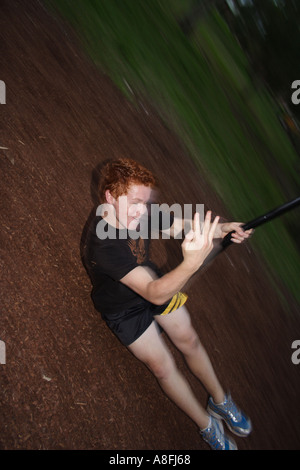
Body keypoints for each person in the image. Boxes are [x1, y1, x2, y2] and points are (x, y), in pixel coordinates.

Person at [84, 158, 252, 450]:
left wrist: (224, 229)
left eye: (146, 203)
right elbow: (154, 293)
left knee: (188, 338)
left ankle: (220, 401)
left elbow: (180, 226)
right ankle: (206, 425)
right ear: (110, 197)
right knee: (162, 366)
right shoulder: (103, 243)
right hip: (123, 308)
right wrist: (189, 265)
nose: (143, 210)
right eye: (136, 202)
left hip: (152, 280)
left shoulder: (139, 212)